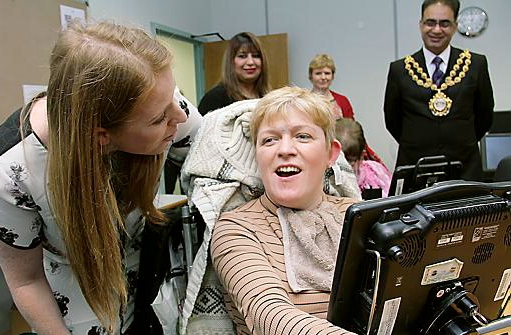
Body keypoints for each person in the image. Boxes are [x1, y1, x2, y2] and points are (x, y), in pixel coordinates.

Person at [0, 21, 201, 335]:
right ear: (102, 137)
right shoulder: (9, 170)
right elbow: (26, 280)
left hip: (152, 269)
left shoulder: (154, 94)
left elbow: (214, 157)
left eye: (174, 100)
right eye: (159, 119)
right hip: (79, 288)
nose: (179, 117)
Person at [210, 86, 357, 335]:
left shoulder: (358, 215)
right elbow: (271, 317)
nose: (285, 149)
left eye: (302, 136)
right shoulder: (236, 229)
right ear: (257, 155)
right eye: (269, 140)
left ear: (330, 154)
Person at [383, 0, 494, 181]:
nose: (436, 30)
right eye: (430, 22)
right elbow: (392, 120)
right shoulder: (400, 69)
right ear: (421, 25)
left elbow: (485, 117)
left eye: (444, 23)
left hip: (465, 169)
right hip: (415, 169)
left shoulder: (476, 65)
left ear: (455, 26)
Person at [198, 32, 271, 115]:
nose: (250, 62)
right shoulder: (215, 98)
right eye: (242, 56)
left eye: (256, 55)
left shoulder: (269, 98)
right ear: (231, 62)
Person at [335, 118, 392, 198]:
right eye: (337, 161)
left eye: (349, 162)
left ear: (361, 157)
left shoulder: (377, 173)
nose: (342, 167)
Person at [308, 53, 354, 120]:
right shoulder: (303, 101)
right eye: (318, 73)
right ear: (311, 76)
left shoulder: (343, 101)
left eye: (327, 73)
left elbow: (351, 128)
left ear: (332, 76)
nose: (323, 77)